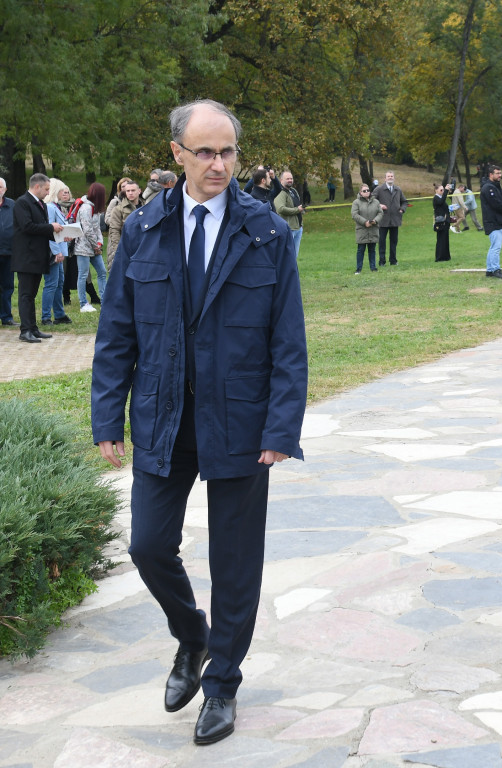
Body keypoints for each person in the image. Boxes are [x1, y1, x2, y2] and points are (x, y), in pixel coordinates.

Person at [91, 99, 307, 747]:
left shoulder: (264, 232)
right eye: (206, 152)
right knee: (148, 545)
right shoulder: (147, 228)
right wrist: (108, 415)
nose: (219, 165)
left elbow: (288, 343)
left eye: (229, 152)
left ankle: (222, 683)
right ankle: (193, 637)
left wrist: (279, 429)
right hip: (161, 414)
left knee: (236, 562)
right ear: (178, 154)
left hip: (239, 420)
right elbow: (116, 333)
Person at [12, 173, 63, 343]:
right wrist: (50, 227)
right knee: (26, 295)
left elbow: (43, 230)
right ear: (37, 187)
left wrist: (61, 234)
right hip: (26, 257)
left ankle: (33, 328)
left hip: (38, 256)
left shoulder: (41, 204)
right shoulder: (22, 202)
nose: (48, 193)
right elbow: (27, 227)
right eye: (46, 189)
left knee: (32, 294)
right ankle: (25, 330)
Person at [72, 182, 109, 315]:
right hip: (83, 246)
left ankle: (105, 300)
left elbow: (97, 228)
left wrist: (99, 243)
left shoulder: (96, 208)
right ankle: (83, 303)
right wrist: (95, 246)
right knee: (83, 274)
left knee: (102, 271)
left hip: (94, 247)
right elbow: (87, 230)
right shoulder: (86, 208)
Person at [40, 179, 72, 326]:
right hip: (53, 252)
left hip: (58, 249)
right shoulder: (50, 208)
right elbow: (49, 232)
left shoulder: (55, 207)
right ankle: (46, 316)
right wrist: (56, 252)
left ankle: (59, 314)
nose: (64, 193)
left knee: (59, 283)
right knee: (51, 284)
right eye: (61, 190)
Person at [479, 165, 502, 279]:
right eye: (497, 173)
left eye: (500, 173)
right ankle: (496, 269)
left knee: (493, 246)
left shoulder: (495, 186)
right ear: (490, 175)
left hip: (497, 220)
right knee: (496, 247)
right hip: (492, 221)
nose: (500, 175)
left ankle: (490, 270)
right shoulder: (488, 188)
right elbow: (496, 203)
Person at [373, 171, 407, 266]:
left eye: (392, 176)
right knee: (382, 242)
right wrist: (379, 205)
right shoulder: (379, 189)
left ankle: (393, 260)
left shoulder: (398, 189)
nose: (390, 178)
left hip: (395, 219)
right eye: (388, 176)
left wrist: (402, 209)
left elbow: (404, 202)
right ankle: (382, 261)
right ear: (385, 178)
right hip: (383, 220)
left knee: (394, 242)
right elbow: (371, 200)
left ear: (394, 178)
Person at [106, 180, 142, 269]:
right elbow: (114, 231)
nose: (130, 193)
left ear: (139, 191)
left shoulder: (146, 206)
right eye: (128, 191)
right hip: (126, 248)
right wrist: (119, 250)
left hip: (142, 248)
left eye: (133, 190)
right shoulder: (118, 209)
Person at [351, 183, 383, 274]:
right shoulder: (356, 202)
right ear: (360, 192)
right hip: (362, 230)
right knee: (361, 250)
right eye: (364, 191)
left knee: (372, 249)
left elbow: (380, 213)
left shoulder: (376, 202)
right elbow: (354, 215)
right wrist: (365, 222)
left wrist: (375, 221)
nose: (366, 192)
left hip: (373, 229)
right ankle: (358, 269)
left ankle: (373, 268)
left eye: (368, 190)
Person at [274, 171, 305, 256]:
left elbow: (297, 204)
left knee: (294, 256)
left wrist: (302, 209)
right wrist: (297, 210)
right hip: (288, 228)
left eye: (291, 178)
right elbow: (280, 209)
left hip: (298, 227)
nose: (290, 180)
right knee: (287, 256)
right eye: (287, 179)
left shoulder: (293, 191)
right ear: (281, 180)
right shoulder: (280, 192)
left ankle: (293, 270)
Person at [0, 178, 14, 327]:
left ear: (5, 189)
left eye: (0, 187)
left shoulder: (12, 205)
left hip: (9, 253)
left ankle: (6, 316)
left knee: (8, 286)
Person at [432, 183, 452, 262]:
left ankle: (446, 256)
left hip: (445, 220)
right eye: (441, 190)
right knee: (441, 239)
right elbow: (441, 202)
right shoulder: (436, 198)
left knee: (445, 239)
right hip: (441, 221)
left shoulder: (440, 197)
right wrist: (446, 191)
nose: (443, 191)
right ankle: (440, 257)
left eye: (443, 190)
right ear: (436, 190)